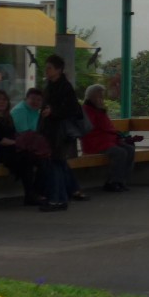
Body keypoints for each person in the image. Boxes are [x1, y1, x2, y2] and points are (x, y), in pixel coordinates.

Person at [38, 53, 88, 211]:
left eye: (50, 68)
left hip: (59, 133)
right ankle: (59, 197)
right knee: (56, 164)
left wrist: (52, 112)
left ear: (58, 70)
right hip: (51, 131)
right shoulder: (51, 86)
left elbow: (72, 109)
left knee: (56, 164)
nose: (46, 71)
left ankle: (58, 199)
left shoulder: (64, 87)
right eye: (46, 68)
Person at [0, 89, 49, 205]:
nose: (2, 102)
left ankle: (35, 193)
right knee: (27, 159)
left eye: (4, 100)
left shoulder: (7, 117)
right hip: (0, 152)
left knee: (43, 159)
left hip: (12, 149)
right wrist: (18, 143)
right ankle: (30, 195)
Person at [80, 83, 136, 192]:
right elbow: (93, 129)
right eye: (99, 96)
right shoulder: (86, 110)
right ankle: (113, 181)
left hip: (107, 141)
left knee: (129, 149)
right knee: (120, 152)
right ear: (91, 97)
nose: (102, 99)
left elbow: (108, 127)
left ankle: (121, 181)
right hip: (94, 143)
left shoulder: (99, 109)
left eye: (102, 96)